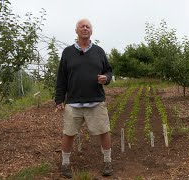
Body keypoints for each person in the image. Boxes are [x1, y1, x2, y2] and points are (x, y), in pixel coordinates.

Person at [55, 18, 113, 178]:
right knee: (68, 133)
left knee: (104, 131)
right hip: (73, 102)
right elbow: (62, 77)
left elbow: (109, 71)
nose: (85, 28)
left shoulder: (99, 51)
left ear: (91, 31)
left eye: (88, 26)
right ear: (76, 31)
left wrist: (106, 78)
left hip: (96, 101)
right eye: (82, 26)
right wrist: (59, 99)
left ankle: (108, 161)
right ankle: (65, 164)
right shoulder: (68, 52)